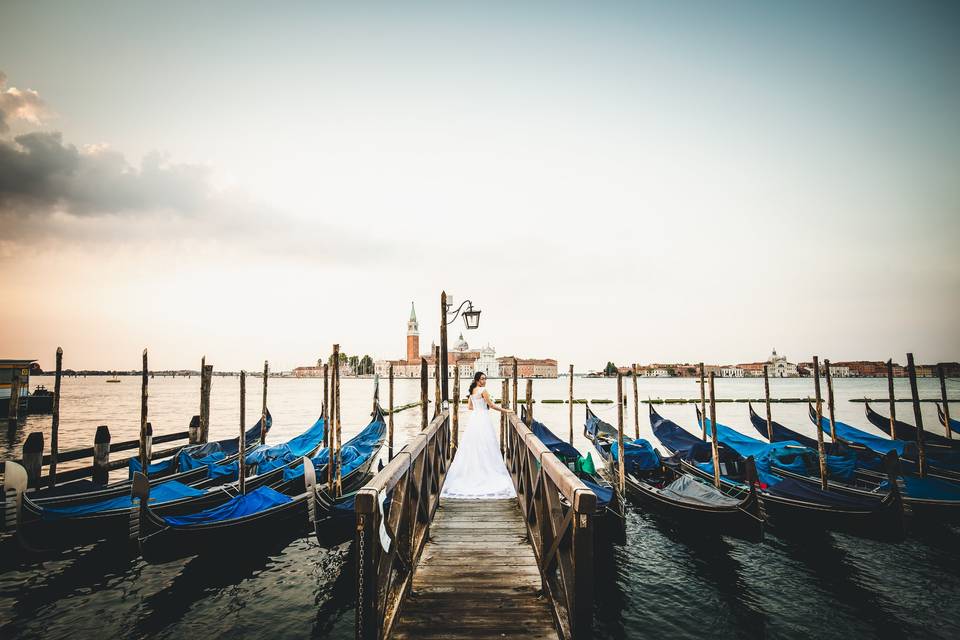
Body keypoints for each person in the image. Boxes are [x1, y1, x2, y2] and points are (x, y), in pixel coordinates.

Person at [441, 372, 516, 499]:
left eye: (485, 378)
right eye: (482, 379)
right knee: (487, 444)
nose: (484, 380)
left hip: (475, 419)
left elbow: (470, 407)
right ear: (477, 380)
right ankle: (486, 470)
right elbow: (492, 406)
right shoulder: (483, 390)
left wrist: (479, 408)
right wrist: (506, 410)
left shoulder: (472, 391)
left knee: (473, 444)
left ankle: (473, 471)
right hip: (483, 418)